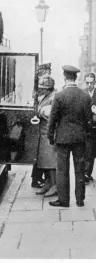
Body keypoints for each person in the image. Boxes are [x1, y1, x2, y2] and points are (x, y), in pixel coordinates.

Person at [47, 65, 92, 207]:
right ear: (76, 77)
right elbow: (89, 119)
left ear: (64, 77)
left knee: (62, 170)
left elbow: (52, 119)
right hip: (79, 138)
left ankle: (64, 200)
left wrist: (50, 136)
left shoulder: (59, 96)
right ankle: (80, 200)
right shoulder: (84, 96)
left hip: (62, 138)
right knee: (80, 169)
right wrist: (86, 133)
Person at [35, 75, 58, 197]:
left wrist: (39, 111)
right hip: (44, 133)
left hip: (49, 134)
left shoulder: (53, 97)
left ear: (48, 88)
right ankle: (48, 184)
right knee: (45, 161)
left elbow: (49, 113)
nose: (40, 90)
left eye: (42, 88)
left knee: (51, 162)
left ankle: (54, 186)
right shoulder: (47, 96)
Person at [83, 73, 96, 183]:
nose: (89, 85)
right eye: (87, 83)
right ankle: (86, 174)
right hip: (88, 128)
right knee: (88, 151)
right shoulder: (82, 94)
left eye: (91, 83)